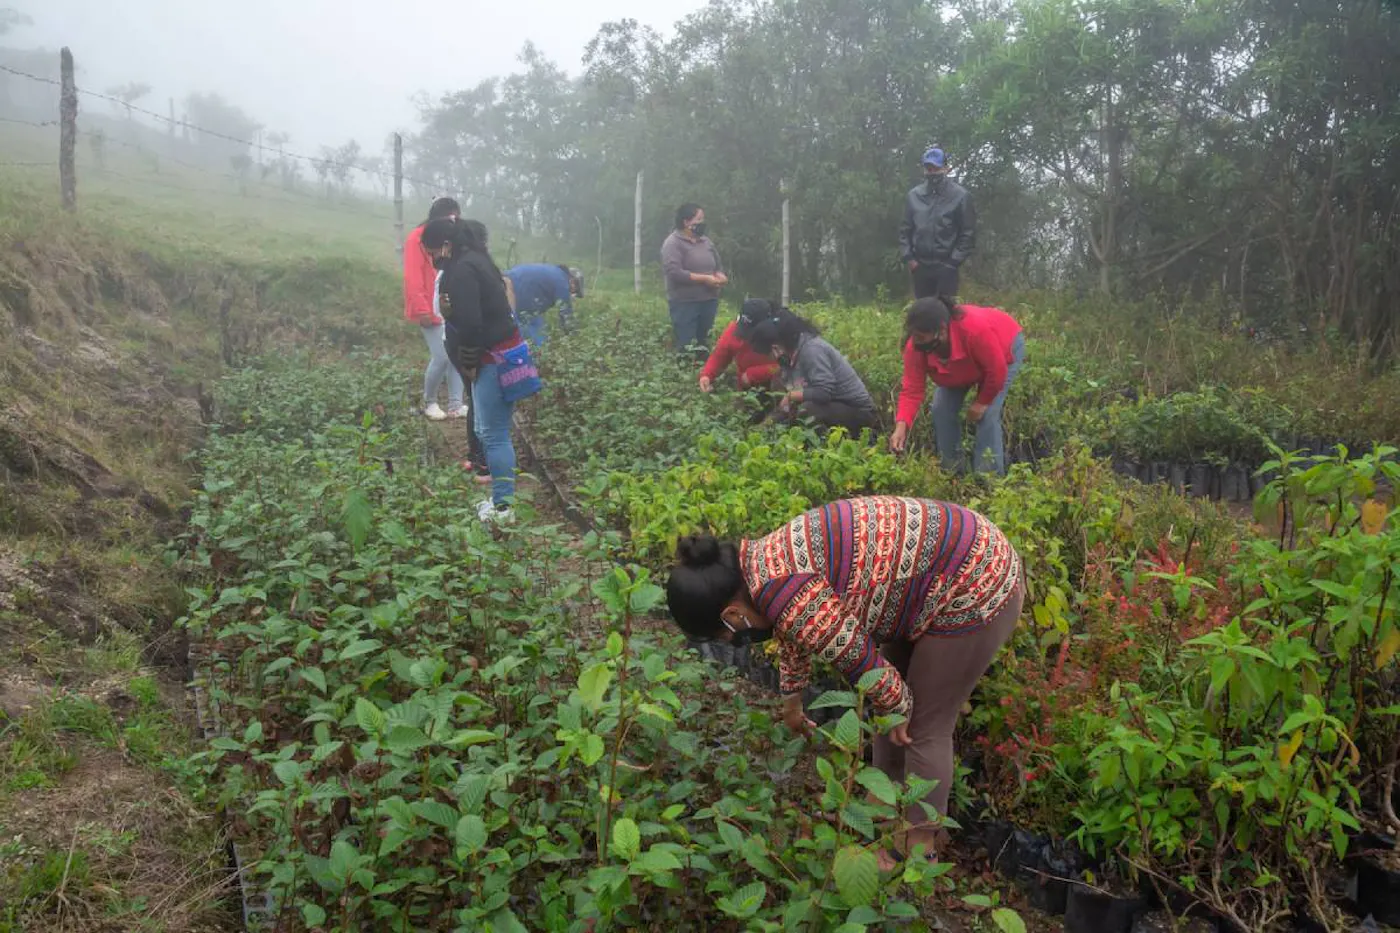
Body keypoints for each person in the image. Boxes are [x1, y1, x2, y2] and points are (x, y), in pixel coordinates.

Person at [665, 496, 1025, 863]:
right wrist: (792, 700)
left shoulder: (788, 594)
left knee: (921, 726)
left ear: (732, 614)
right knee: (890, 711)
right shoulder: (757, 568)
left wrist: (900, 706)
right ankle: (883, 806)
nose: (732, 641)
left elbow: (862, 662)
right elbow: (790, 629)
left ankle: (916, 849)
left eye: (725, 635)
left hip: (977, 577)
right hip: (924, 581)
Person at [421, 218, 522, 522]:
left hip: (491, 360)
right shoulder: (475, 260)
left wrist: (469, 361)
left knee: (494, 434)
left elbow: (471, 323)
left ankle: (504, 508)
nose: (433, 259)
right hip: (496, 356)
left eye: (433, 252)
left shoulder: (463, 270)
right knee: (489, 430)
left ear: (447, 245)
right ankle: (501, 503)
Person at [890, 297, 1025, 475]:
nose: (916, 341)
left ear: (942, 331)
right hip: (962, 366)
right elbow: (912, 389)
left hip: (1003, 347)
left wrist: (981, 402)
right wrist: (901, 426)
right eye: (914, 335)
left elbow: (997, 371)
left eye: (921, 337)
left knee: (987, 414)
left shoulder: (974, 331)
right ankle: (952, 472)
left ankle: (989, 481)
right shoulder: (916, 346)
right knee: (941, 409)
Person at [747, 309, 879, 438]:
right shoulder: (787, 359)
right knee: (780, 389)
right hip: (830, 409)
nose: (768, 359)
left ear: (775, 348)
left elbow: (824, 393)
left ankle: (826, 449)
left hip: (859, 412)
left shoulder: (812, 350)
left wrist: (791, 396)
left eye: (767, 355)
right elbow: (785, 406)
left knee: (807, 410)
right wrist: (763, 427)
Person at [403, 197, 468, 422]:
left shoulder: (451, 241)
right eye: (452, 218)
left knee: (454, 353)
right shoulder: (417, 239)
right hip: (428, 306)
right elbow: (413, 276)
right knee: (441, 356)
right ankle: (429, 402)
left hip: (446, 304)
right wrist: (422, 310)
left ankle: (455, 404)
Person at [898, 147, 976, 299]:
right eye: (928, 168)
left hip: (946, 266)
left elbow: (968, 233)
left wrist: (953, 262)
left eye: (936, 168)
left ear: (946, 168)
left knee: (945, 315)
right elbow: (904, 230)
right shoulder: (914, 196)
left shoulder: (961, 196)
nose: (932, 172)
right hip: (920, 267)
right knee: (923, 315)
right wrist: (910, 259)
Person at [661, 203, 727, 354]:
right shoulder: (673, 243)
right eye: (699, 219)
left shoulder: (706, 241)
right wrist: (704, 278)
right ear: (686, 222)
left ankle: (704, 375)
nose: (702, 222)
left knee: (704, 344)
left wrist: (720, 276)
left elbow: (717, 265)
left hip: (709, 301)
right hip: (685, 303)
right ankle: (685, 374)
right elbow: (674, 273)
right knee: (687, 346)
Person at [698, 298, 782, 394]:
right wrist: (707, 375)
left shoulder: (780, 334)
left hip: (777, 384)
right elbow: (719, 356)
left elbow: (787, 367)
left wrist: (755, 374)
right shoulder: (734, 330)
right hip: (746, 386)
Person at [504, 263, 584, 348]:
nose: (572, 294)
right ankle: (536, 352)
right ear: (572, 281)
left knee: (537, 327)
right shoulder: (562, 282)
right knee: (536, 334)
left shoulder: (554, 272)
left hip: (506, 284)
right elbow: (566, 315)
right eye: (575, 291)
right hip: (516, 293)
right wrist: (574, 339)